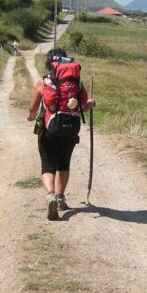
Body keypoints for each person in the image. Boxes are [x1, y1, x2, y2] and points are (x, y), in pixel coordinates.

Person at [27, 48, 95, 220]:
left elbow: (33, 108)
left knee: (48, 164)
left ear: (50, 64)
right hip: (70, 130)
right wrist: (91, 103)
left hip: (48, 129)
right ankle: (60, 198)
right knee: (64, 163)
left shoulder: (44, 83)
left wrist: (31, 115)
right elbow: (83, 106)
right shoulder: (77, 85)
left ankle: (50, 194)